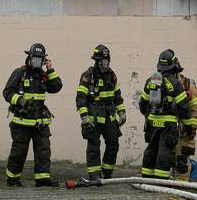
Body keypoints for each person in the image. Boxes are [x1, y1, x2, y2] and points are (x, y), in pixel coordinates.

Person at [2, 43, 62, 187]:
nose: (37, 62)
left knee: (43, 151)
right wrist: (20, 100)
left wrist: (50, 70)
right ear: (29, 57)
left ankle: (42, 179)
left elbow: (56, 87)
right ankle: (12, 179)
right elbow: (7, 92)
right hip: (22, 123)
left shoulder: (43, 75)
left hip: (39, 122)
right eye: (35, 58)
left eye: (40, 59)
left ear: (43, 61)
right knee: (19, 152)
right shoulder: (19, 73)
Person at [76, 44, 126, 183]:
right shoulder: (88, 75)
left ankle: (107, 172)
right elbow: (81, 97)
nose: (104, 64)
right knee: (93, 146)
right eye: (101, 61)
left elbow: (117, 96)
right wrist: (84, 116)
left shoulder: (111, 75)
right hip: (93, 117)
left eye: (106, 61)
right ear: (96, 61)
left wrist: (122, 112)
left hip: (109, 115)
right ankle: (94, 174)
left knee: (113, 143)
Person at [138, 49, 191, 180]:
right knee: (165, 152)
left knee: (151, 149)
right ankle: (160, 181)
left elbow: (143, 105)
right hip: (168, 124)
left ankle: (147, 178)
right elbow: (184, 108)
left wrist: (151, 116)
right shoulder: (175, 83)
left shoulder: (150, 81)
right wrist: (188, 125)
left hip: (152, 123)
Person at [171, 55, 197, 181]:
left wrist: (191, 126)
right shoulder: (160, 83)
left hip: (184, 132)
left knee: (181, 162)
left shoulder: (187, 85)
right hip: (166, 131)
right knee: (165, 160)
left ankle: (181, 190)